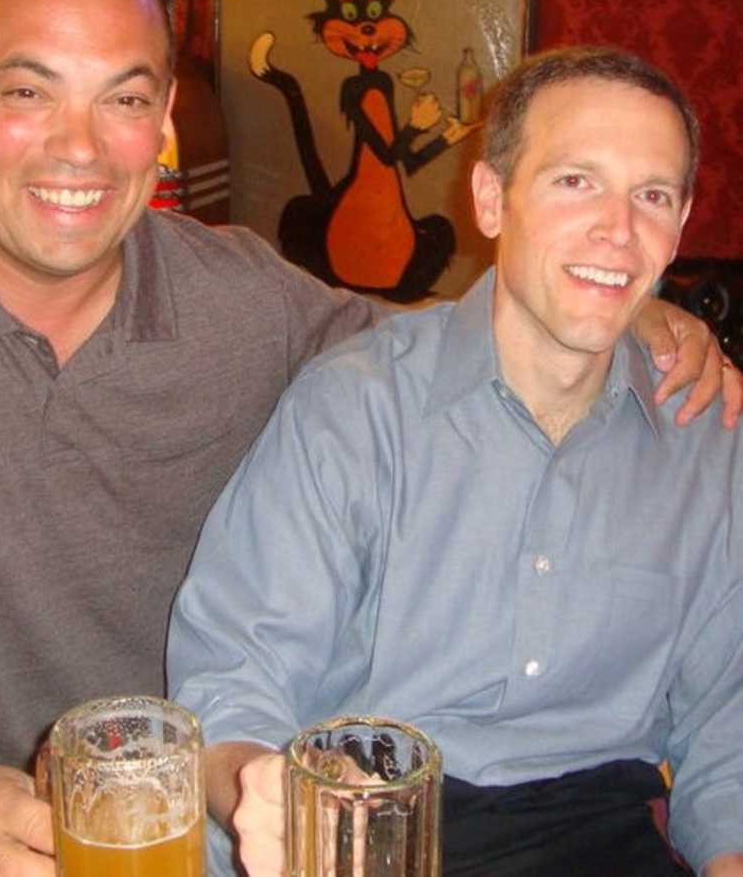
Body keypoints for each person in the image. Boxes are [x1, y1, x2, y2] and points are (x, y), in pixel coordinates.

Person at [0, 0, 735, 877]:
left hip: (184, 819)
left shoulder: (242, 297)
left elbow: (463, 347)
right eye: (29, 88)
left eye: (126, 98)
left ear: (164, 123)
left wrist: (626, 296)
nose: (81, 146)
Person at [168, 47, 743, 877]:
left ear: (680, 224)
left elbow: (725, 717)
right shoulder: (354, 411)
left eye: (651, 194)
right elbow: (233, 676)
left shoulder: (706, 435)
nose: (618, 230)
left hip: (600, 830)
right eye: (575, 181)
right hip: (372, 825)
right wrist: (254, 789)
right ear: (489, 197)